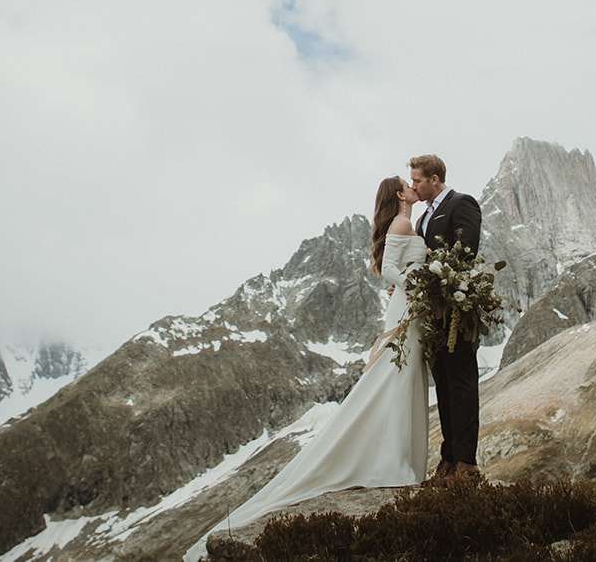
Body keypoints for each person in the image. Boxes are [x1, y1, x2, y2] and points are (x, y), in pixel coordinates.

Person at [184, 177, 429, 561]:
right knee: (395, 378)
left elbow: (391, 267)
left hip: (408, 306)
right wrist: (416, 286)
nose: (412, 187)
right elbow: (392, 269)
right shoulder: (402, 223)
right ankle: (394, 463)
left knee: (401, 376)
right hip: (407, 307)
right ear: (400, 195)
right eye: (406, 185)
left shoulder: (405, 224)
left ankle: (397, 459)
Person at [409, 152, 483, 481]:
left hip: (457, 308)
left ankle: (467, 461)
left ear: (434, 179)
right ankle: (449, 458)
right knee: (444, 384)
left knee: (462, 382)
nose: (414, 186)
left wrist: (435, 273)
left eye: (418, 180)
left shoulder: (461, 204)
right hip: (432, 310)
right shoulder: (421, 219)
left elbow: (466, 250)